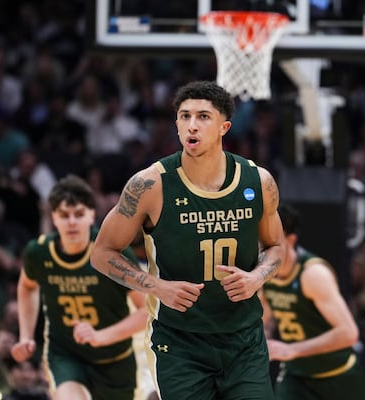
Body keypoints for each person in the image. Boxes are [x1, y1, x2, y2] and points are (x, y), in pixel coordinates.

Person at [90, 80, 286, 399]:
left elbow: (277, 247)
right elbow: (101, 254)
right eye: (184, 116)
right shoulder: (149, 184)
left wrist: (257, 277)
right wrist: (157, 287)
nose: (192, 125)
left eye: (203, 117)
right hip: (178, 342)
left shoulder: (258, 181)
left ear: (224, 126)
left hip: (243, 339)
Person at [10, 174, 148, 400]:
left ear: (92, 214)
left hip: (114, 360)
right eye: (64, 215)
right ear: (53, 217)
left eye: (79, 214)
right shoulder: (38, 252)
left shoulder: (114, 254)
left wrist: (100, 336)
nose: (72, 222)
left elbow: (147, 311)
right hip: (66, 355)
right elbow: (27, 286)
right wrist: (26, 335)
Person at [260, 203, 365, 400]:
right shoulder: (263, 273)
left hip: (337, 376)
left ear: (291, 240)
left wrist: (291, 349)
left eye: (272, 239)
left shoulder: (312, 274)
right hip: (296, 377)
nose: (264, 245)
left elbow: (349, 333)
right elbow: (262, 320)